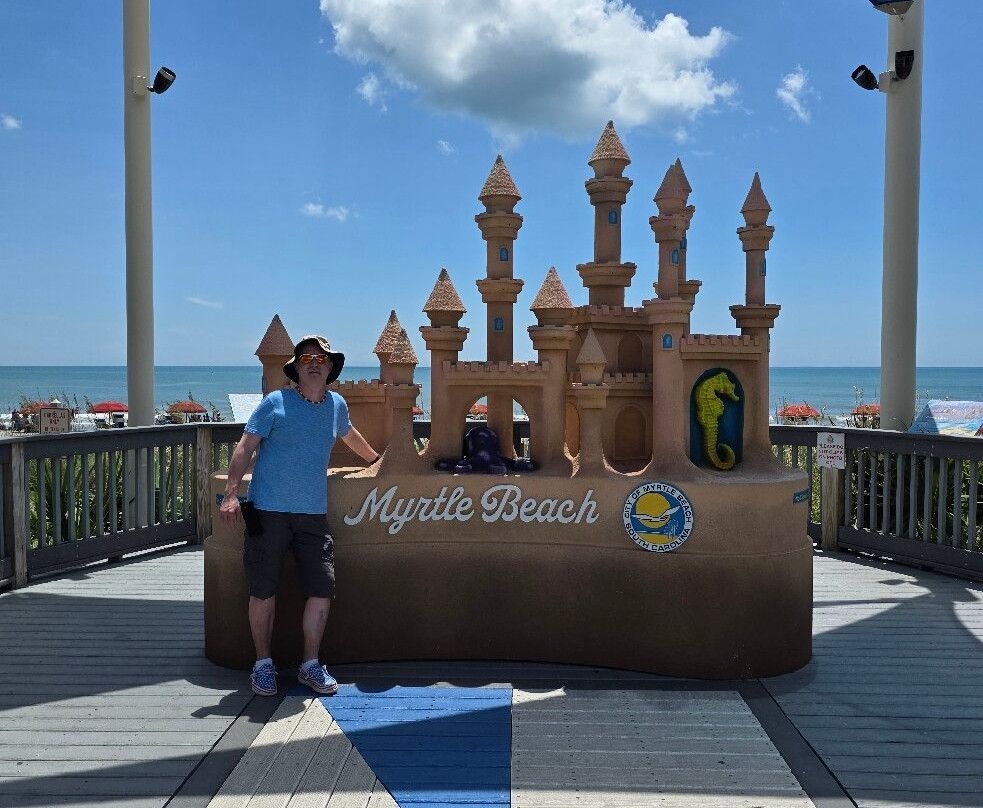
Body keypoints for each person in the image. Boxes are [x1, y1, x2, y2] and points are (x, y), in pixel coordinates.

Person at [219, 335, 381, 697]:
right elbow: (245, 447)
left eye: (321, 358)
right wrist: (231, 494)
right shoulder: (274, 402)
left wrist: (378, 464)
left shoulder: (336, 405)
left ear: (330, 367)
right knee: (263, 591)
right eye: (306, 357)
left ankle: (310, 665)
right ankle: (263, 665)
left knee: (322, 589)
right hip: (268, 510)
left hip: (313, 515)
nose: (314, 362)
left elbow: (350, 435)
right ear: (296, 367)